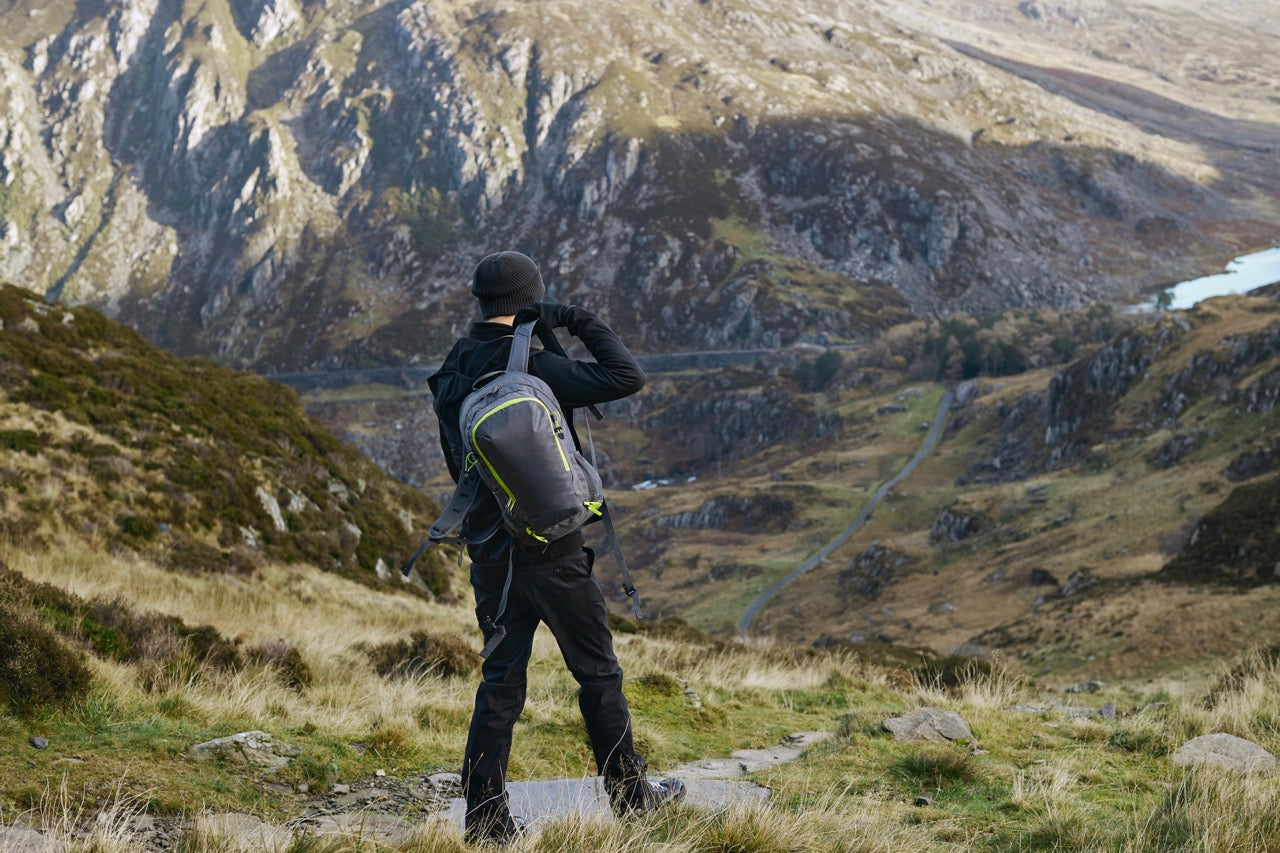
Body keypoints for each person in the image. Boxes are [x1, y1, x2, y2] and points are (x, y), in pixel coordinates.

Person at [427, 250, 685, 844]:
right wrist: (572, 317)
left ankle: (486, 819)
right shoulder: (535, 366)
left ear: (479, 299)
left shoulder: (453, 368)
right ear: (528, 300)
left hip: (492, 555)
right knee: (597, 674)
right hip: (555, 552)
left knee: (500, 683)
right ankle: (632, 800)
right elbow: (627, 376)